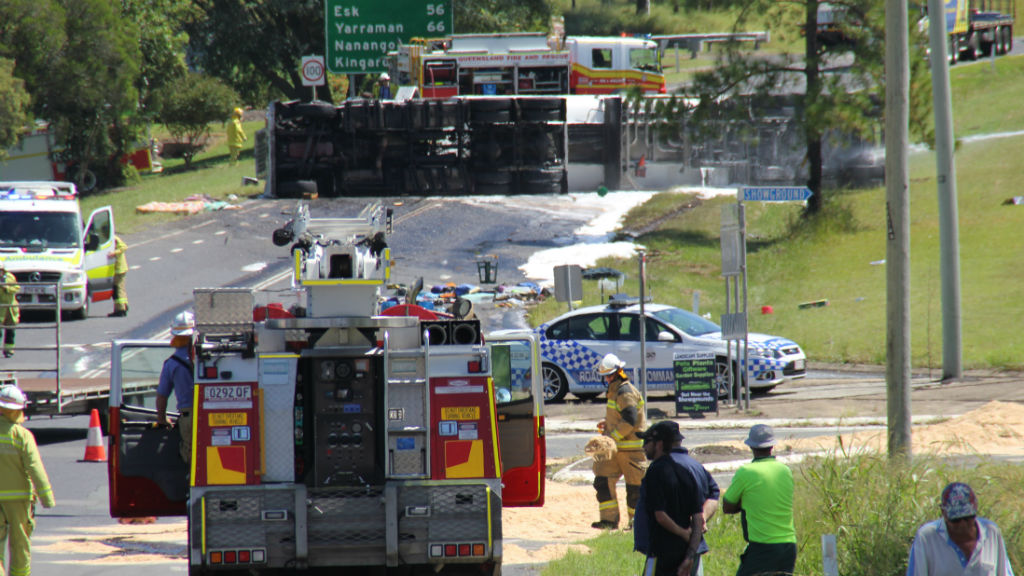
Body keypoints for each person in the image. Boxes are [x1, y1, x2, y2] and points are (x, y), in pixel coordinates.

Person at [635, 419, 720, 576]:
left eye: (647, 441)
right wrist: (690, 555)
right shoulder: (690, 470)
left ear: (659, 444)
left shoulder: (656, 471)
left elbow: (660, 515)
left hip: (661, 554)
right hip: (690, 552)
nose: (643, 447)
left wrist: (682, 533)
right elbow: (700, 514)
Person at [722, 424, 797, 576]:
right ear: (772, 446)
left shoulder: (746, 472)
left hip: (763, 546)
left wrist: (745, 502)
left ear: (751, 447)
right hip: (788, 546)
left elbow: (727, 506)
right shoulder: (785, 471)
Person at [0, 385, 55, 575]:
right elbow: (35, 468)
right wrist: (46, 498)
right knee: (20, 545)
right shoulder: (22, 436)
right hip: (19, 501)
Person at [906, 482, 1016, 576]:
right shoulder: (927, 537)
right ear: (943, 513)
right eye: (956, 520)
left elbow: (1004, 572)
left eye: (968, 518)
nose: (963, 525)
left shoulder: (991, 532)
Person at [591, 353, 646, 530]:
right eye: (604, 376)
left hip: (631, 451)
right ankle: (609, 520)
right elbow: (619, 416)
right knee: (602, 480)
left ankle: (636, 524)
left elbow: (630, 420)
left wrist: (611, 438)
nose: (606, 379)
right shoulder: (615, 392)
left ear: (617, 373)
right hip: (615, 450)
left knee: (635, 490)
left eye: (608, 375)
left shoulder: (625, 392)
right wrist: (607, 424)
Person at [157, 311, 196, 464]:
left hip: (188, 417)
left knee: (192, 458)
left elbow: (162, 396)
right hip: (213, 415)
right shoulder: (207, 358)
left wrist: (162, 419)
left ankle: (192, 487)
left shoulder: (171, 364)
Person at [107, 235, 128, 317]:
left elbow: (124, 247)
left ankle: (120, 309)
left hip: (120, 268)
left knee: (118, 289)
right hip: (117, 268)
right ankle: (124, 306)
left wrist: (114, 253)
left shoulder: (114, 238)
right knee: (119, 288)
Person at [0, 262, 18, 358]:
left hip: (10, 308)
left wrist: (7, 288)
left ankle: (9, 350)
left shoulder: (10, 277)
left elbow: (16, 288)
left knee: (10, 330)